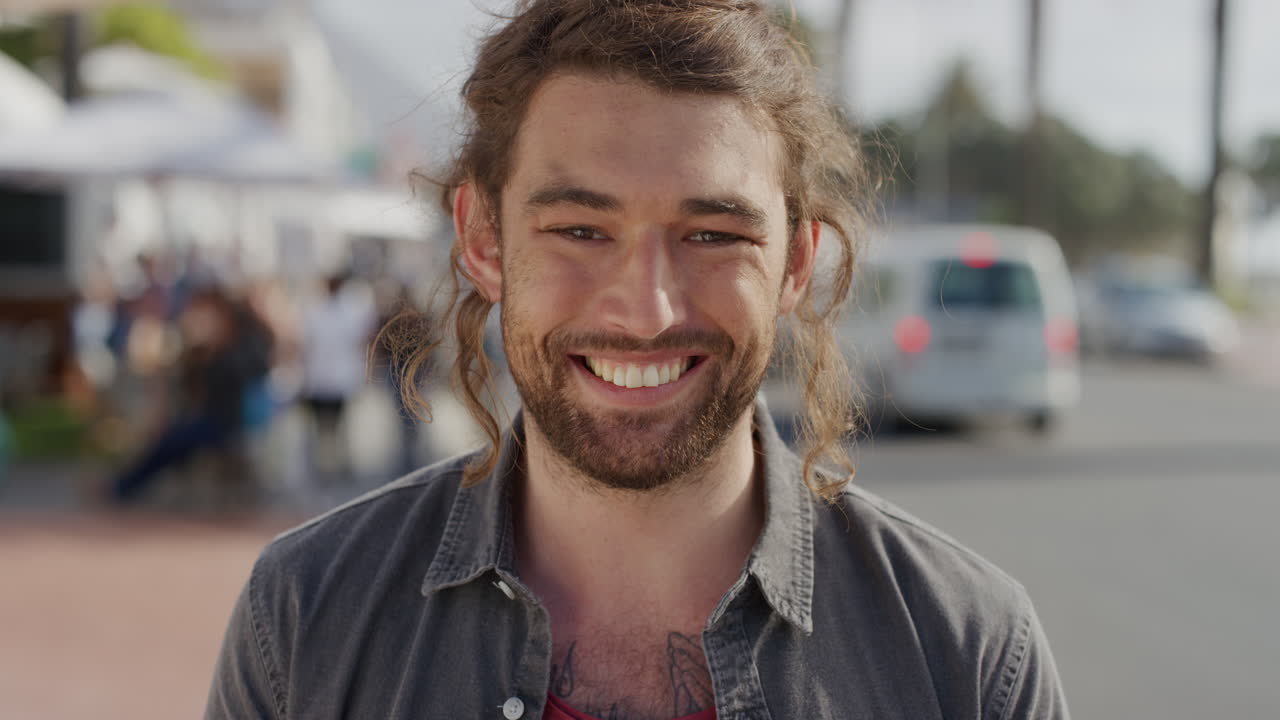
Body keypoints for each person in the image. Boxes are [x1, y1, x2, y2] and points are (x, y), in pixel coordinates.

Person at [206, 2, 1069, 718]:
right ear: (482, 239)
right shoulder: (306, 618)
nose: (646, 309)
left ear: (797, 264)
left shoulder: (969, 655)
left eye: (713, 235)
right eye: (580, 230)